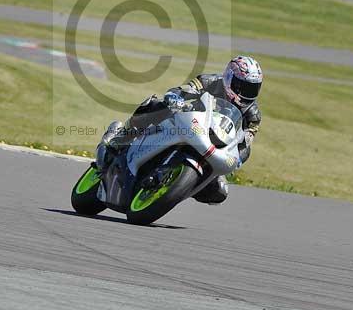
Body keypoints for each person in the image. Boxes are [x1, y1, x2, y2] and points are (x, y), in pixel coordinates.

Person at [95, 55, 263, 205]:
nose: (246, 92)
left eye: (252, 88)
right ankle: (120, 137)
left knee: (219, 191)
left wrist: (237, 159)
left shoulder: (253, 115)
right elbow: (182, 90)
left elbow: (245, 143)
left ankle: (178, 186)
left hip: (213, 145)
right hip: (187, 122)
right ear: (229, 77)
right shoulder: (209, 81)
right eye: (242, 86)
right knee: (154, 105)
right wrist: (176, 98)